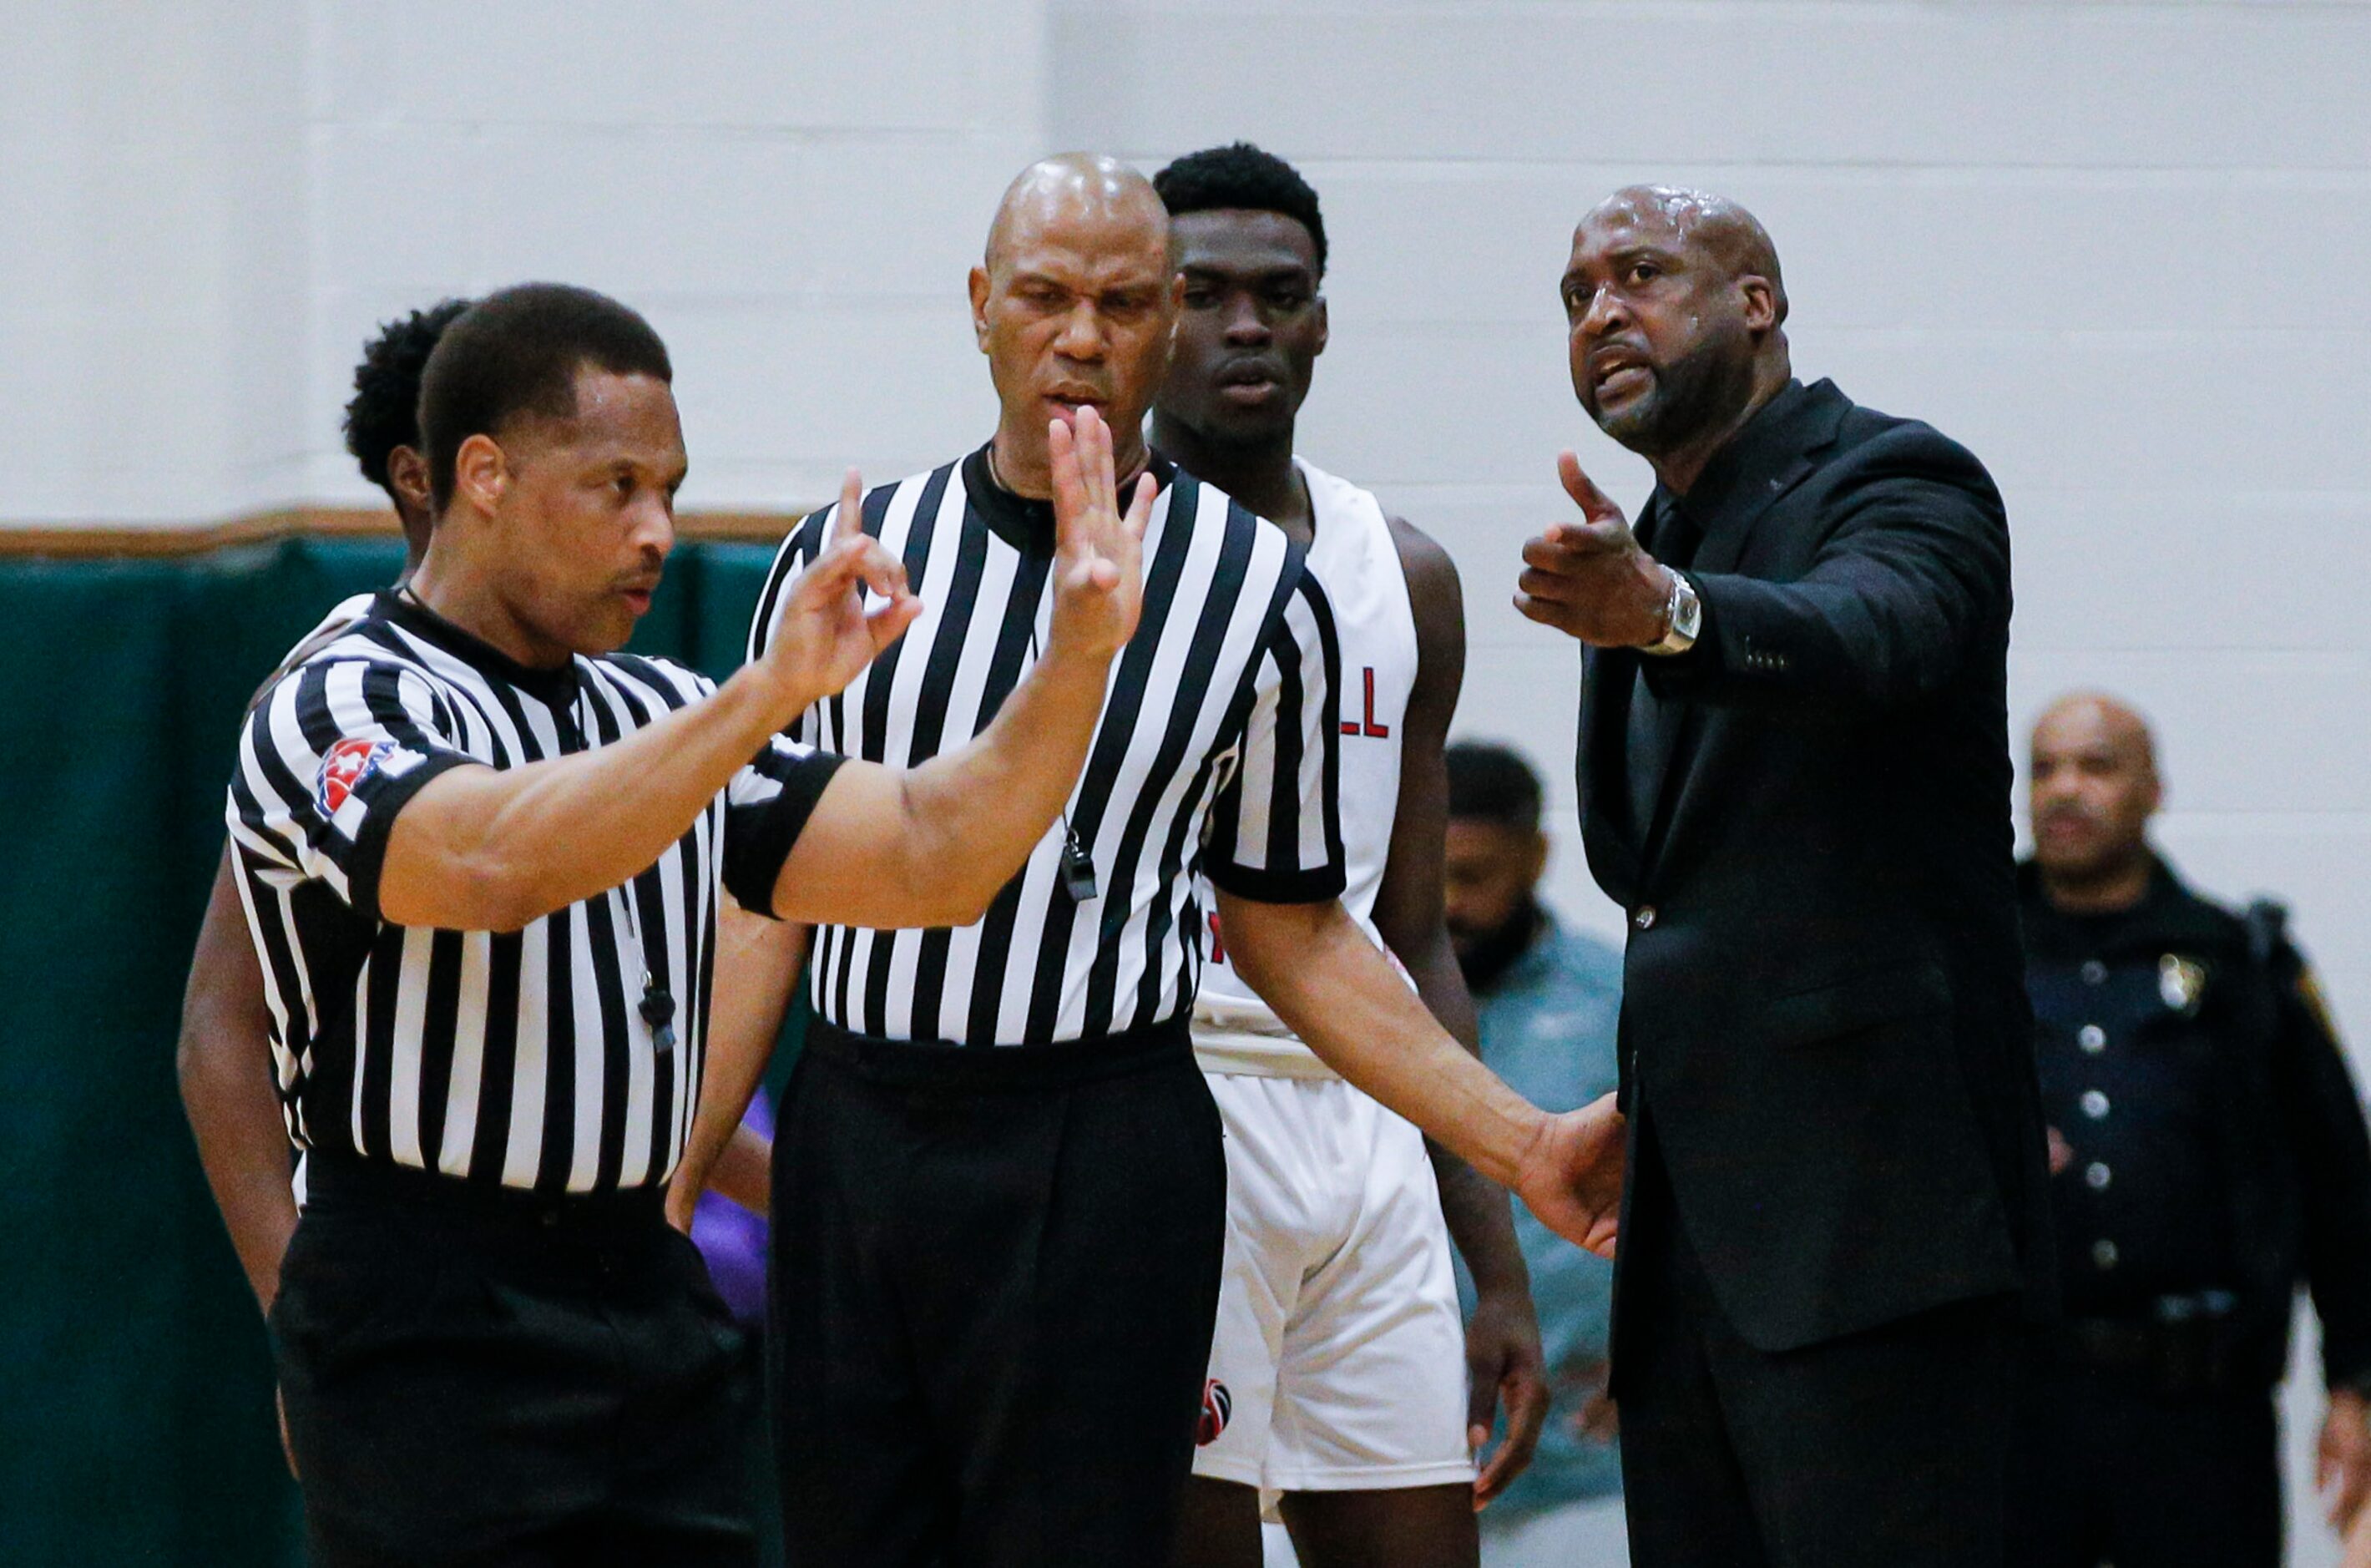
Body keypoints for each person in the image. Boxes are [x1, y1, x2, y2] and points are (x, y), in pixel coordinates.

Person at [680, 153, 1624, 1568]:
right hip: (864, 1126)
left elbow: (1300, 931)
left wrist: (1521, 1138)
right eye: (1047, 296)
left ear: (1164, 321)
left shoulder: (1261, 590)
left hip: (1104, 1128)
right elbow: (766, 907)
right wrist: (674, 1176)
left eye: (1122, 302)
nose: (1080, 334)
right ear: (982, 305)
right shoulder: (856, 553)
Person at [215, 280, 1155, 1564]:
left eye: (672, 488)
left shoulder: (657, 700)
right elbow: (486, 863)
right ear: (481, 475)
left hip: (644, 1284)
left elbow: (938, 857)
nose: (659, 530)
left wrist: (1078, 662)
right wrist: (767, 695)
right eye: (618, 488)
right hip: (420, 1297)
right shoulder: (334, 696)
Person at [1513, 185, 2052, 1567]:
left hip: (1876, 1247)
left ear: (1757, 301)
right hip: (1692, 1259)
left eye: (1640, 273)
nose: (1601, 313)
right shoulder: (1647, 545)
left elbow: (1873, 631)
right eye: (1575, 294)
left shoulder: (1895, 479)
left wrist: (1672, 618)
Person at [1145, 144, 1548, 1568]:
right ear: (1144, 312)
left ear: (1323, 320)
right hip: (1176, 1100)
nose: (1245, 324)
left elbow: (1419, 933)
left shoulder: (1406, 572)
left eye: (1281, 294)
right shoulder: (1087, 560)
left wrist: (1492, 1260)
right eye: (1202, 293)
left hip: (1371, 1116)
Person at [2008, 690, 2371, 1568]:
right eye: (2043, 768)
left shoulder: (2238, 960)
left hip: (2196, 1410)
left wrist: (2353, 1386)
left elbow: (2339, 1184)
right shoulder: (1972, 956)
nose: (2063, 790)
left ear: (2153, 790)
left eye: (2095, 767)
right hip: (2010, 1410)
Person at [182, 297, 469, 1326]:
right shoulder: (332, 687)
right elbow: (219, 1022)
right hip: (401, 1278)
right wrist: (295, 1317)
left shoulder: (614, 693)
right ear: (423, 474)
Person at [1441, 741, 1627, 1567]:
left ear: (1536, 855)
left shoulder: (1616, 998)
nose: (1445, 904)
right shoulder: (1364, 1009)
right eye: (1427, 875)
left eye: (1472, 877)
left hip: (1583, 1472)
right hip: (1387, 1457)